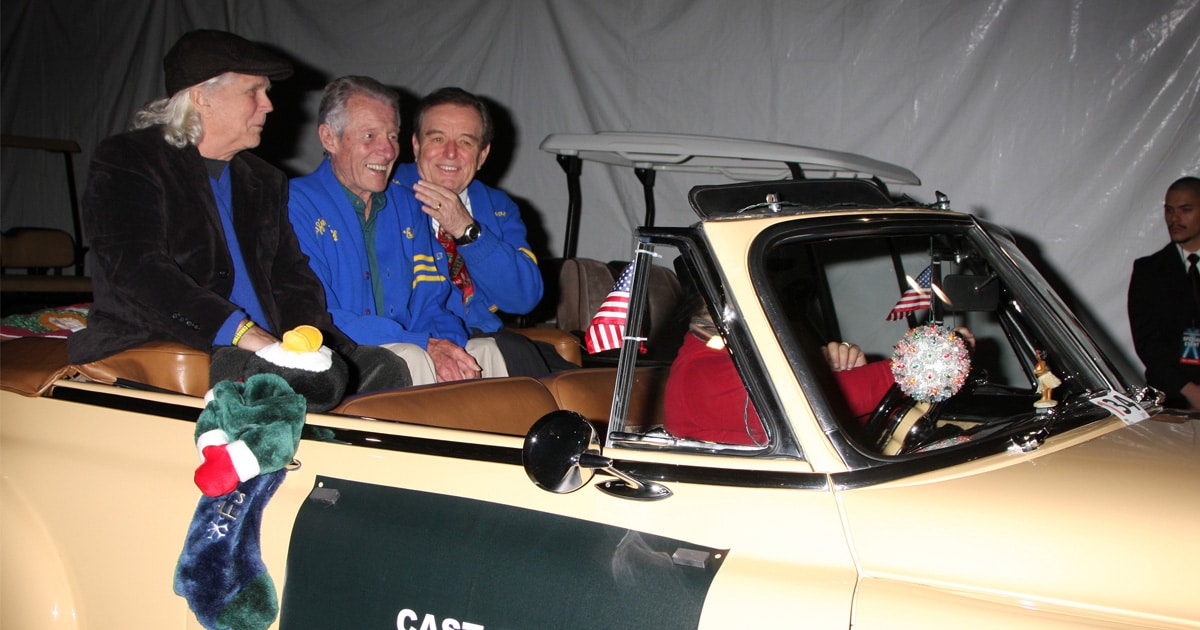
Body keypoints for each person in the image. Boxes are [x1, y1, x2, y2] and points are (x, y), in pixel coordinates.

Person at [68, 31, 409, 395]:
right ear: (202, 98)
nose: (269, 105)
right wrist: (239, 331)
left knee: (384, 369)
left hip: (268, 351)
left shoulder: (262, 179)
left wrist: (313, 342)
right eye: (253, 92)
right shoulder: (131, 158)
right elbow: (137, 270)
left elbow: (291, 276)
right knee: (300, 382)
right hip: (179, 341)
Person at [288, 76, 507, 385]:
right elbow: (313, 313)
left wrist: (447, 344)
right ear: (329, 138)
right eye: (369, 136)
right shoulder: (295, 205)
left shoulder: (407, 205)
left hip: (405, 344)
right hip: (332, 351)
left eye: (392, 136)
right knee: (412, 357)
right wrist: (424, 344)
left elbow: (434, 300)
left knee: (483, 354)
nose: (388, 151)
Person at [394, 87, 573, 377]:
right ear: (415, 145)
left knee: (583, 391)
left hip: (485, 338)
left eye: (465, 141)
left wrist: (466, 230)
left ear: (482, 154)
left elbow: (523, 298)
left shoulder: (498, 206)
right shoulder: (386, 196)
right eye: (437, 138)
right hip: (417, 342)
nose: (450, 153)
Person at [1128, 176, 1200, 410]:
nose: (1174, 219)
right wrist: (1188, 390)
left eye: (1185, 210)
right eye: (1169, 210)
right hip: (1171, 401)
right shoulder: (1148, 271)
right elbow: (1148, 344)